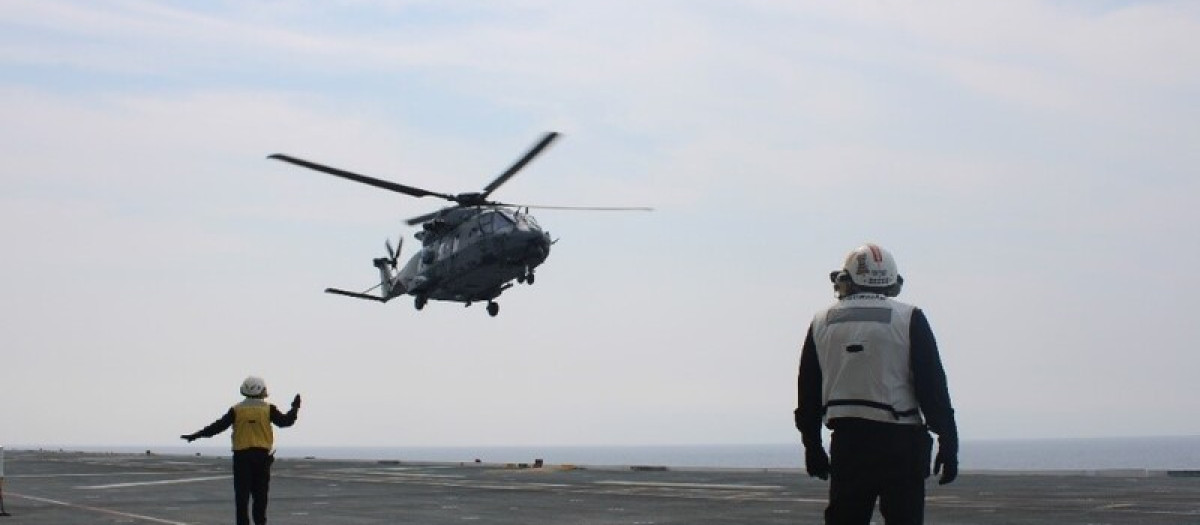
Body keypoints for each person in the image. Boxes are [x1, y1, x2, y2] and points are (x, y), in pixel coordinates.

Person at [795, 243, 958, 525]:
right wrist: (948, 441)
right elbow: (932, 389)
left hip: (849, 443)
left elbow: (808, 391)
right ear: (892, 282)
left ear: (847, 279)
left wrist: (812, 445)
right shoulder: (909, 318)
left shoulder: (822, 321)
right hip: (901, 443)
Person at [181, 376, 301, 525]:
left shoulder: (237, 409)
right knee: (260, 498)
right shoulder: (268, 409)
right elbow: (285, 422)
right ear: (262, 390)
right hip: (262, 458)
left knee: (242, 499)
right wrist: (295, 408)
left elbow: (217, 427)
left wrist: (196, 435)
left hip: (242, 458)